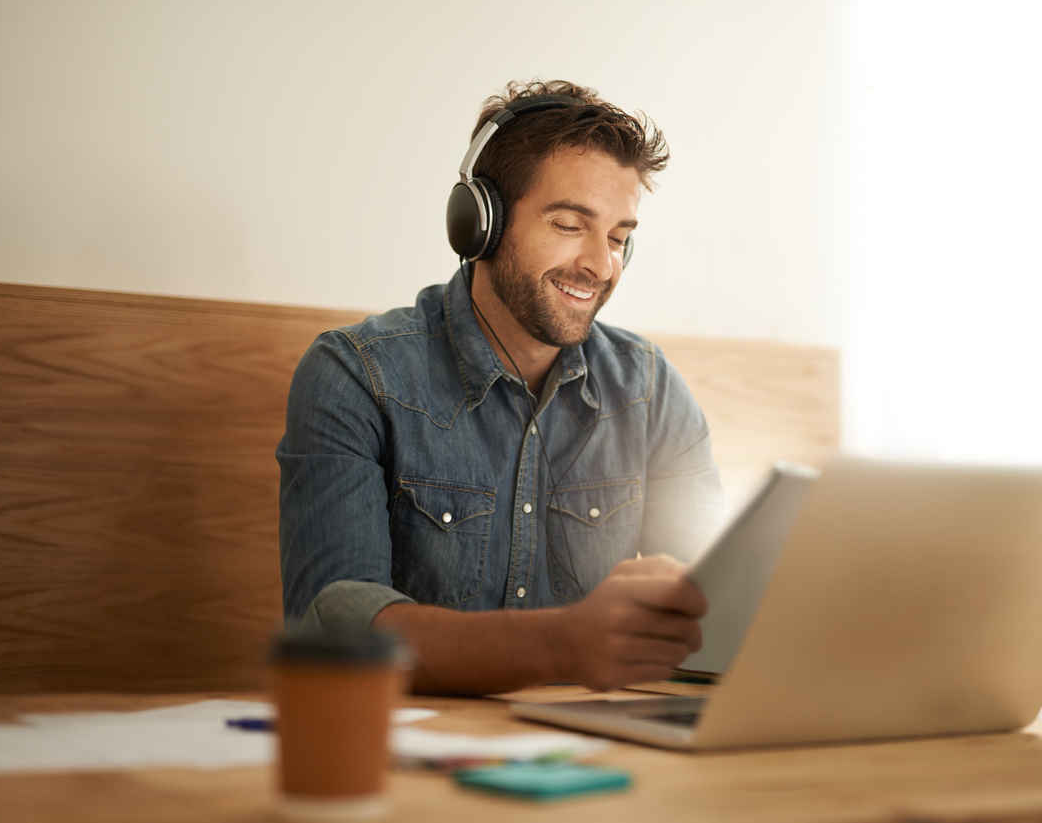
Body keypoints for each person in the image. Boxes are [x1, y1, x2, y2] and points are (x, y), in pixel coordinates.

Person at [277, 80, 724, 695]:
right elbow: (333, 627)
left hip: (595, 752)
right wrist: (564, 644)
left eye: (619, 238)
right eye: (570, 223)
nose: (601, 264)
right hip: (411, 756)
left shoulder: (650, 390)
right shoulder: (356, 376)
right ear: (478, 222)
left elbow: (718, 609)